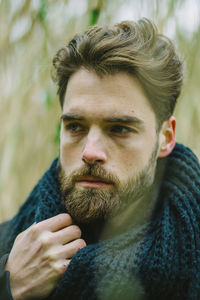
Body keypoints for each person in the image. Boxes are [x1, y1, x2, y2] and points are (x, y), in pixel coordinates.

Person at [0, 18, 199, 300]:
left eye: (119, 128)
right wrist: (9, 286)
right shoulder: (8, 249)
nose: (90, 152)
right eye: (75, 127)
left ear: (165, 137)